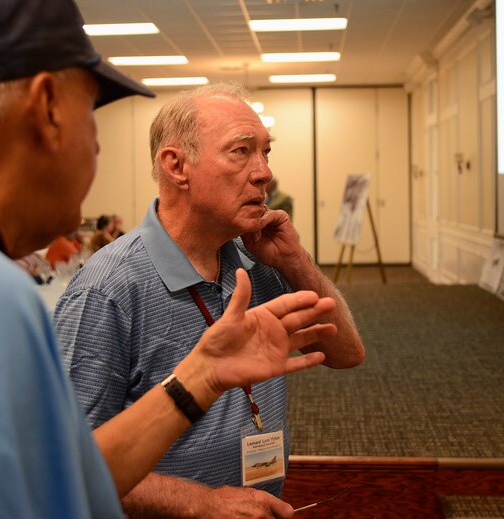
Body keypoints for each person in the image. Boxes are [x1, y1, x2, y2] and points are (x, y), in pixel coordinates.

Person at [0, 0, 340, 518]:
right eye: (92, 115)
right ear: (48, 106)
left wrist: (198, 377)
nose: (96, 147)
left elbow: (57, 474)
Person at [54, 82, 366, 518]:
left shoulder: (255, 260)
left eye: (265, 152)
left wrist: (296, 262)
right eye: (241, 151)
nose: (264, 173)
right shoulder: (107, 290)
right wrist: (201, 504)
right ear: (177, 165)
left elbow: (346, 352)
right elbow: (66, 467)